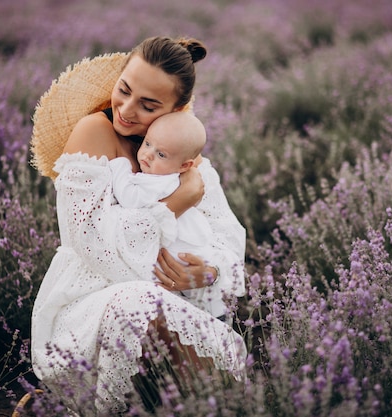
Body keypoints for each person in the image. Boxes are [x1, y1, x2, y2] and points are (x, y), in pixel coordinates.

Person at [30, 36, 247, 414]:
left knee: (208, 359)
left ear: (176, 110)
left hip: (175, 306)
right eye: (124, 90)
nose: (127, 111)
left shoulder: (181, 154)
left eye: (149, 106)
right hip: (91, 303)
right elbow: (92, 244)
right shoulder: (93, 132)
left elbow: (228, 238)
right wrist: (176, 203)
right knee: (139, 301)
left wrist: (208, 272)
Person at [109, 111, 227, 319]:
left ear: (184, 165)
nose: (148, 155)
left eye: (161, 154)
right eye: (147, 144)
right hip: (187, 266)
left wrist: (119, 167)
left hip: (183, 267)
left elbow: (131, 199)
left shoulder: (161, 182)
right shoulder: (171, 177)